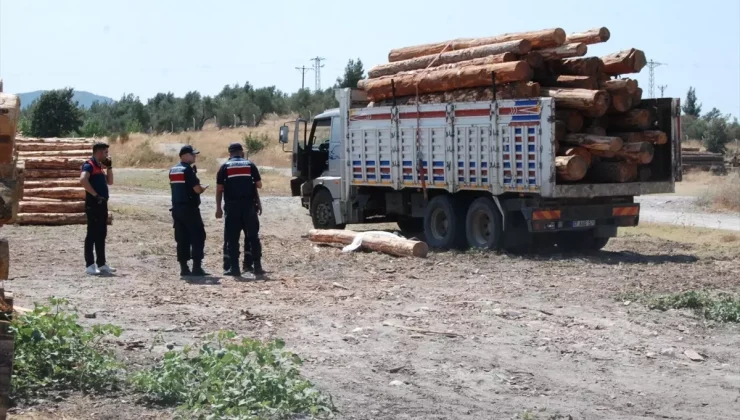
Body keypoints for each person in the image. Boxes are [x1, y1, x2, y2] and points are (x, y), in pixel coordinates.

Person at [216, 142, 264, 277]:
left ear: (229, 153)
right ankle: (257, 266)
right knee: (253, 236)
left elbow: (219, 189)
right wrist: (258, 202)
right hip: (249, 206)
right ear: (242, 153)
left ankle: (234, 268)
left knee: (232, 238)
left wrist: (218, 208)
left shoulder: (224, 167)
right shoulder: (250, 165)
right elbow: (258, 185)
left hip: (232, 207)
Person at [169, 145, 209, 277]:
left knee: (182, 238)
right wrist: (203, 188)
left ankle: (184, 267)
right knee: (198, 236)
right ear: (184, 156)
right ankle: (197, 267)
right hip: (189, 208)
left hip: (177, 208)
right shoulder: (187, 170)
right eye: (192, 154)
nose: (194, 156)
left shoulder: (173, 170)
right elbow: (196, 189)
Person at [80, 142, 115, 275]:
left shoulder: (100, 167)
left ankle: (101, 263)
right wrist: (95, 195)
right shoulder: (89, 165)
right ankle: (90, 265)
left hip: (102, 205)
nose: (107, 155)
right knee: (92, 234)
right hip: (93, 204)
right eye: (105, 152)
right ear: (99, 152)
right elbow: (83, 180)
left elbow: (110, 181)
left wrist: (109, 167)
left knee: (101, 233)